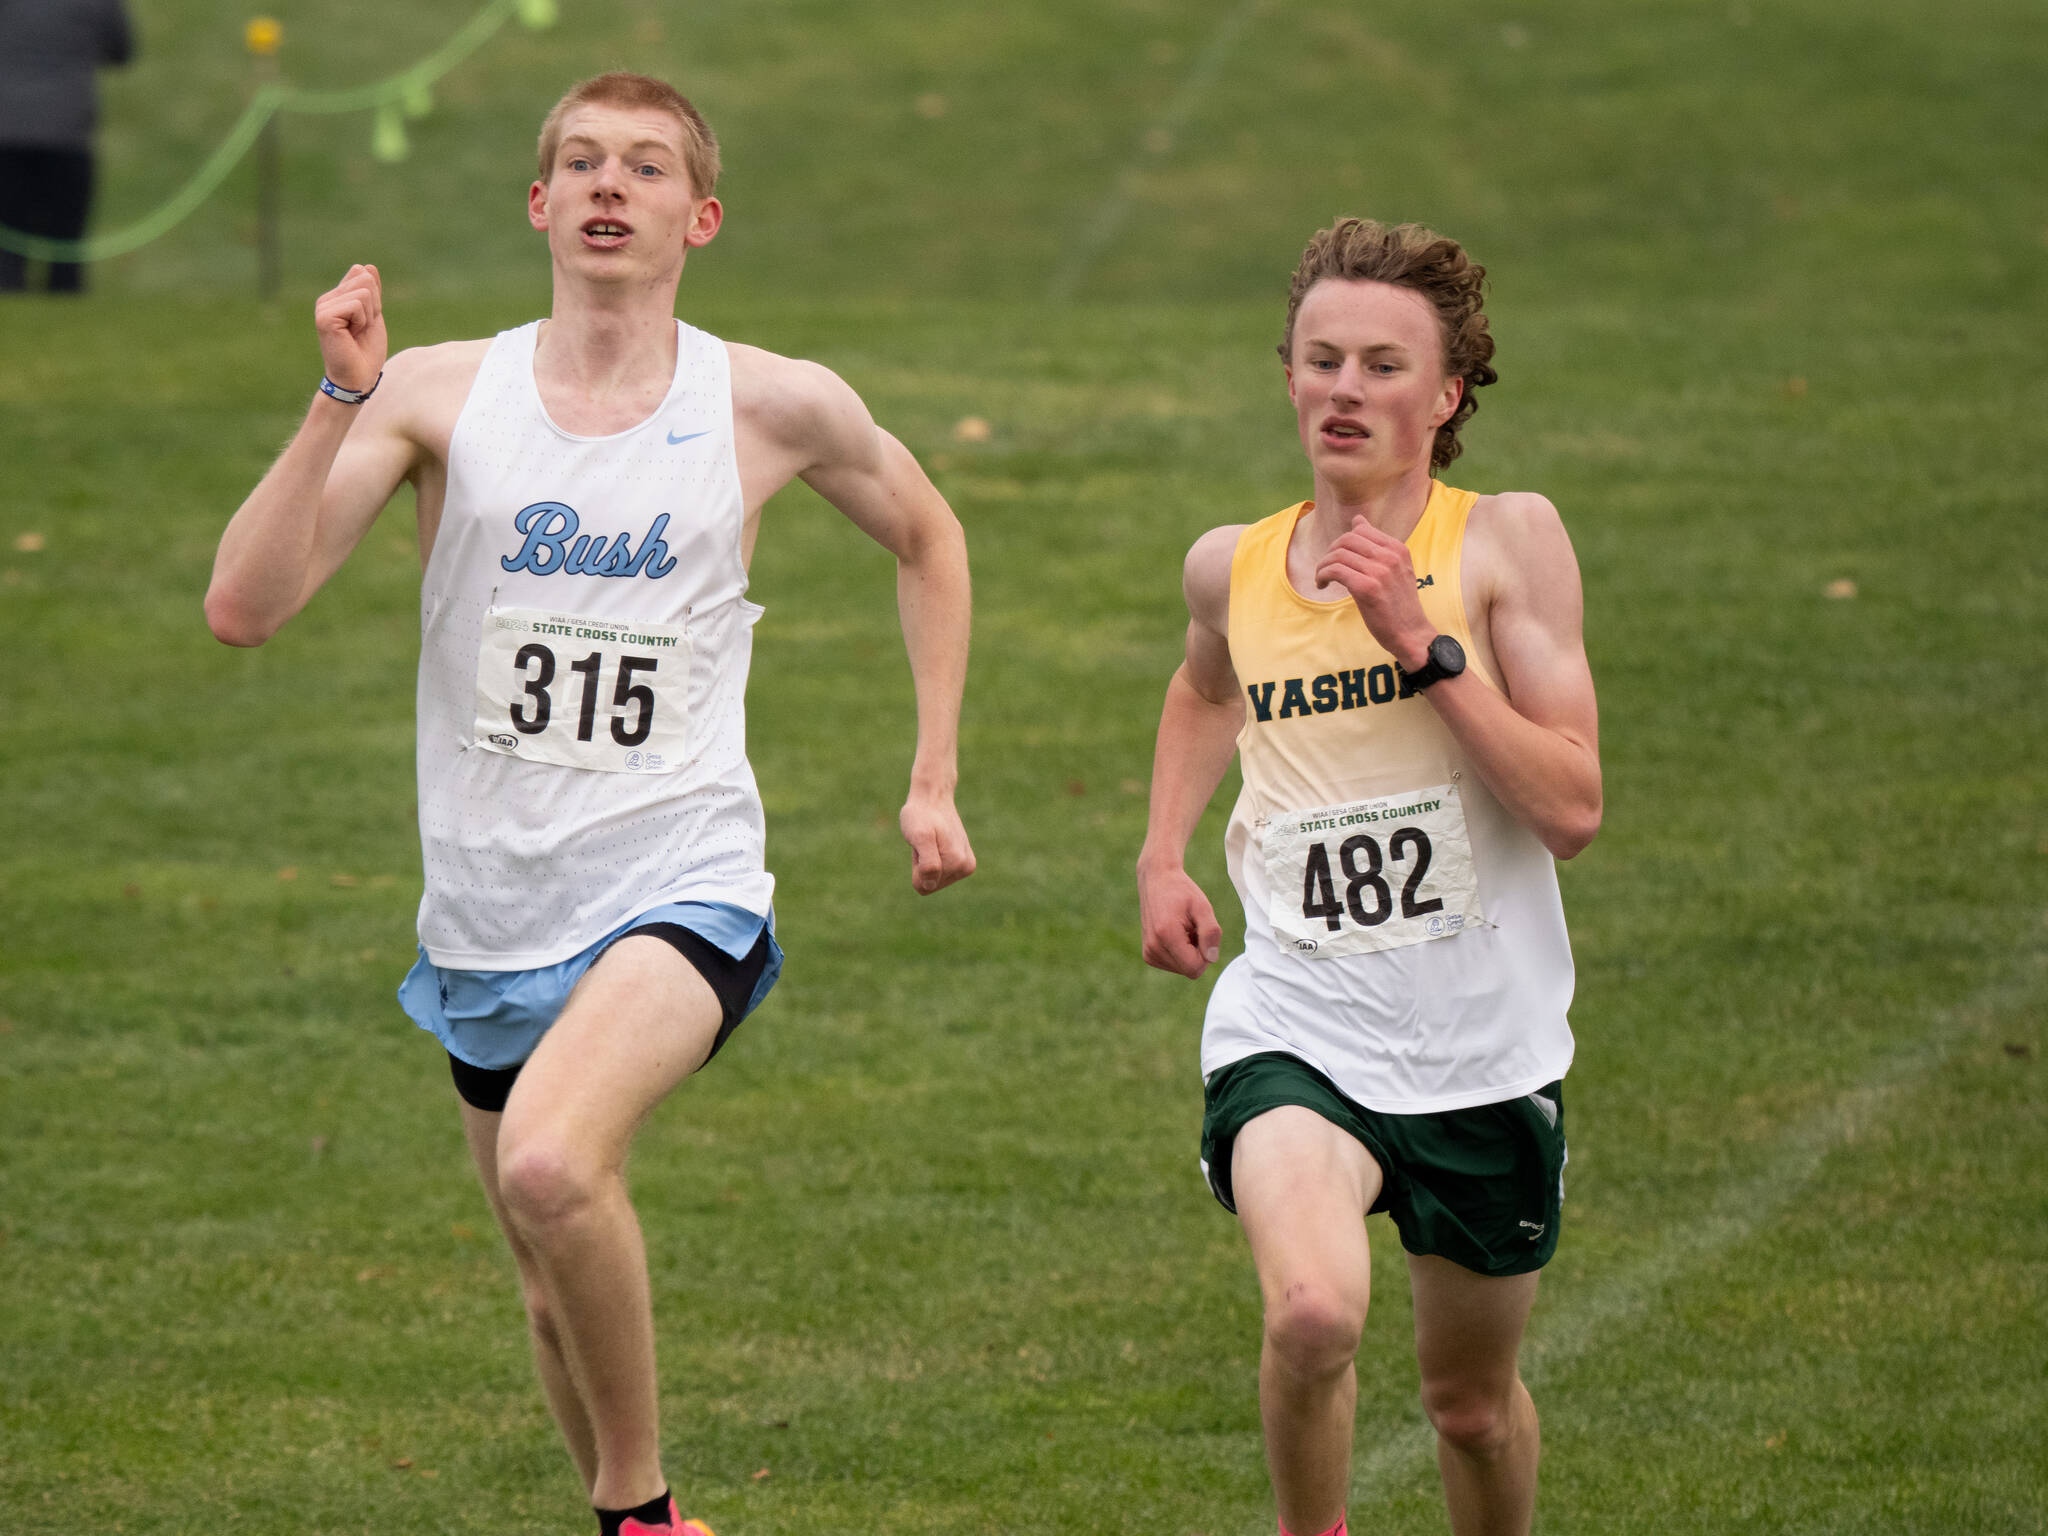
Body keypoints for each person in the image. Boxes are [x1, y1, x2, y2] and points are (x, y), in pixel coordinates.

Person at [204, 72, 975, 1536]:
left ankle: (642, 1512)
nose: (610, 185)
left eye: (645, 166)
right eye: (580, 162)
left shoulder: (769, 402)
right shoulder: (437, 392)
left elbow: (930, 535)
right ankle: (626, 1514)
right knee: (552, 1291)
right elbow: (246, 606)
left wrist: (931, 774)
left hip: (680, 880)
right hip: (488, 910)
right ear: (542, 204)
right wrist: (339, 398)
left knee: (559, 1169)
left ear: (702, 215)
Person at [1134, 217, 1600, 1536]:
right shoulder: (1232, 564)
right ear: (1288, 374)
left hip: (1483, 1049)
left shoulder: (1506, 544)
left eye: (1384, 366)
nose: (1346, 389)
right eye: (1322, 359)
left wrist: (1422, 643)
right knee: (1317, 1310)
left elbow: (1572, 808)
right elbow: (1201, 688)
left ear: (1447, 396)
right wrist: (1163, 852)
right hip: (1298, 1021)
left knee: (1468, 1405)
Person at [0, 0, 134, 293]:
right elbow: (121, 50)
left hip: (7, 126)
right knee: (66, 241)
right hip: (66, 128)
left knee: (7, 243)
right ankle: (63, 299)